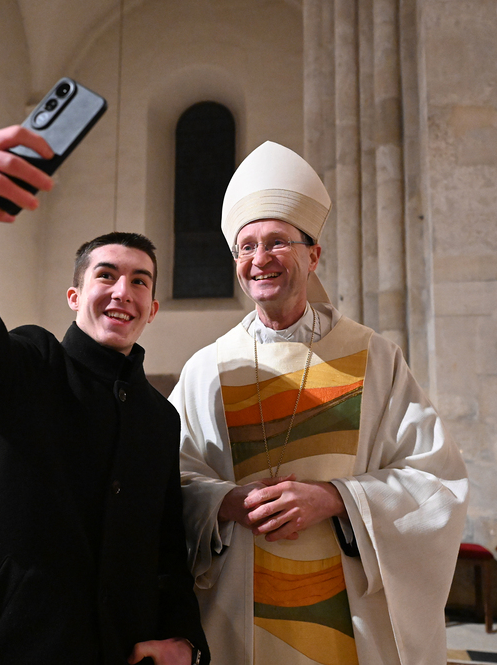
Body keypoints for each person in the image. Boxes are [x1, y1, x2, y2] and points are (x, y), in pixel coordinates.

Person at [0, 125, 208, 665]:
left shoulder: (159, 417)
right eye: (106, 275)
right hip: (17, 642)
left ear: (153, 309)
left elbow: (165, 543)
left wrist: (183, 635)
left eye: (140, 281)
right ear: (74, 295)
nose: (123, 291)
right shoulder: (33, 366)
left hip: (121, 648)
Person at [171, 141, 468, 665]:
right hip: (237, 608)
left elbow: (435, 481)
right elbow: (168, 481)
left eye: (277, 242)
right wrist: (226, 503)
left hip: (346, 612)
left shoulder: (374, 358)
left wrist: (335, 499)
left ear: (313, 255)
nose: (259, 259)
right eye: (246, 247)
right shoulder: (207, 369)